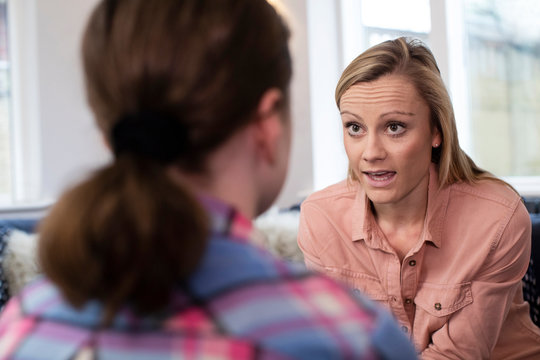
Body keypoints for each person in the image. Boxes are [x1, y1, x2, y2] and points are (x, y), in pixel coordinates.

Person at [0, 1, 417, 359]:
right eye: (355, 127)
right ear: (267, 124)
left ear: (112, 135)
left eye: (394, 127)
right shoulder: (350, 338)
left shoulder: (23, 324)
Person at [297, 37, 540, 359]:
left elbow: (456, 355)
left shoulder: (496, 218)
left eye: (394, 127)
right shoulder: (321, 218)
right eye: (354, 127)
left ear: (436, 131)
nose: (370, 153)